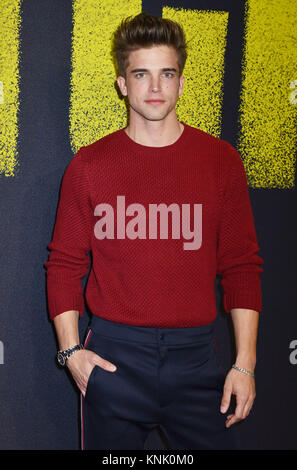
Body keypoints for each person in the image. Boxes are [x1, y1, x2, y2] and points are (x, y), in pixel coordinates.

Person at [44, 12, 264, 450]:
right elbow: (64, 265)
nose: (156, 87)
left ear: (182, 82)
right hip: (114, 358)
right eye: (141, 74)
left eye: (167, 73)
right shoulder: (89, 166)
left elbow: (241, 265)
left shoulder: (221, 161)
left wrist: (245, 363)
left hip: (200, 359)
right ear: (123, 84)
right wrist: (72, 355)